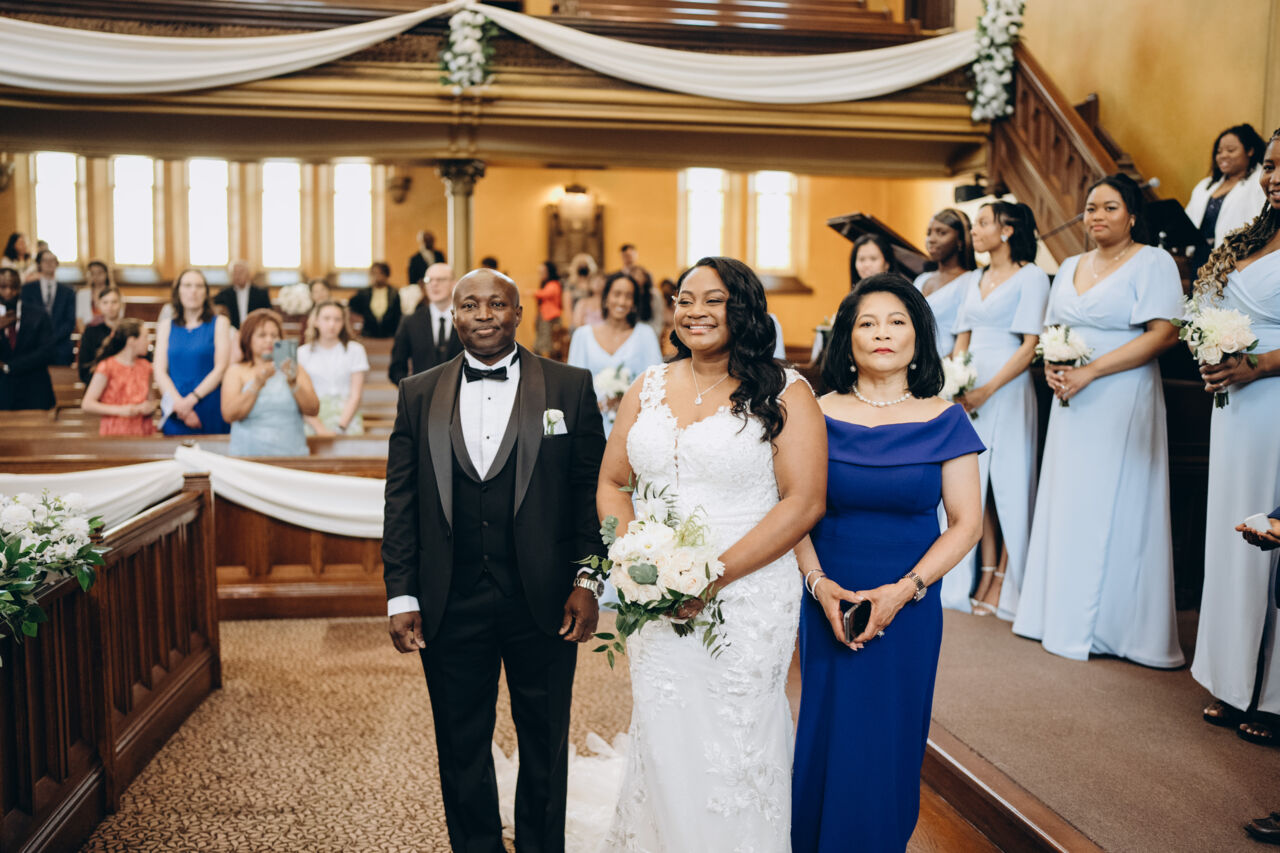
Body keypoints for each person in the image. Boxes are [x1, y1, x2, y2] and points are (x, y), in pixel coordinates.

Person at [598, 257, 827, 852]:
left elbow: (804, 502)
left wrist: (713, 576)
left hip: (748, 591)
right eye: (684, 299)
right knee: (665, 727)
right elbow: (613, 483)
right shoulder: (647, 386)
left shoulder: (786, 391)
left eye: (713, 299)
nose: (695, 311)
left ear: (743, 309)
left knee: (735, 736)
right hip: (654, 591)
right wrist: (635, 559)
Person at [382, 269, 605, 853]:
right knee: (460, 744)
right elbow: (401, 501)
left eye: (497, 304)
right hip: (449, 598)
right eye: (470, 305)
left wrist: (588, 579)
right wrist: (402, 593)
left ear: (518, 313)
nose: (484, 315)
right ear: (453, 315)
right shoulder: (417, 392)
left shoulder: (569, 386)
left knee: (545, 741)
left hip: (546, 598)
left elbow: (590, 492)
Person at [793, 273, 983, 852]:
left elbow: (966, 523)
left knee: (891, 736)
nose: (882, 333)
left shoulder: (946, 419)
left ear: (918, 337)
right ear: (846, 338)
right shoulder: (812, 413)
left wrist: (903, 591)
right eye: (867, 323)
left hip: (911, 604)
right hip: (828, 596)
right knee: (828, 730)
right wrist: (819, 584)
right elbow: (790, 511)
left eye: (897, 322)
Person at [1012, 175, 1185, 667]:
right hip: (1071, 398)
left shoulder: (1153, 261)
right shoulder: (1069, 265)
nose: (1097, 216)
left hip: (1123, 393)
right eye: (1091, 208)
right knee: (1070, 499)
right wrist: (1054, 363)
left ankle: (1114, 629)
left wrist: (1091, 371)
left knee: (1118, 500)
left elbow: (1164, 334)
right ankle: (1058, 618)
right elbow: (1053, 328)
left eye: (1110, 207)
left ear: (1132, 215)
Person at [1191, 127, 1280, 746]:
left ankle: (1271, 692)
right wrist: (1208, 348)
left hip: (1272, 397)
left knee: (1270, 533)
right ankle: (1231, 676)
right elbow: (1206, 307)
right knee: (1231, 534)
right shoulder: (1247, 236)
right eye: (1270, 166)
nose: (1274, 178)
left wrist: (1258, 365)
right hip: (1233, 405)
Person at [951, 201, 1050, 618]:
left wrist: (987, 390)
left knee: (1009, 484)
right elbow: (963, 336)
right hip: (969, 390)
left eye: (982, 223)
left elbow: (1030, 346)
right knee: (976, 484)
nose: (974, 230)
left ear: (1007, 230)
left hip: (1007, 388)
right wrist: (956, 379)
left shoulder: (1032, 277)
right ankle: (985, 570)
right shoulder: (974, 278)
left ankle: (1009, 580)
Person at [566, 271, 662, 436]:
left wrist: (624, 403)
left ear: (634, 303)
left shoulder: (645, 334)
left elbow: (656, 383)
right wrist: (595, 407)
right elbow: (572, 387)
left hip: (634, 424)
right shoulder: (582, 336)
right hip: (590, 423)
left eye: (628, 296)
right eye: (617, 294)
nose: (622, 301)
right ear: (605, 298)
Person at [221, 308, 318, 456]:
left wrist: (293, 383)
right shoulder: (236, 372)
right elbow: (229, 415)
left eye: (274, 335)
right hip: (248, 456)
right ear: (248, 338)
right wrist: (257, 385)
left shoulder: (295, 369)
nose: (269, 340)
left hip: (291, 454)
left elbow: (313, 409)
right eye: (262, 335)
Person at [154, 268, 231, 435]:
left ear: (206, 292)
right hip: (176, 406)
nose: (193, 291)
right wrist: (179, 405)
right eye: (187, 285)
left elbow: (221, 368)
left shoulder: (220, 323)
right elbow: (159, 371)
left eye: (199, 286)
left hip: (208, 401)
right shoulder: (166, 326)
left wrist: (192, 399)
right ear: (178, 291)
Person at [1186, 124, 1269, 273]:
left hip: (1238, 262)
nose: (1223, 155)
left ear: (1250, 151)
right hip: (1201, 259)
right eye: (1219, 151)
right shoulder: (1205, 185)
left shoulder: (1260, 182)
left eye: (1230, 150)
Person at [810, 233, 898, 365]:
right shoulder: (851, 300)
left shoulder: (897, 299)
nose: (866, 265)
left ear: (887, 263)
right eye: (861, 259)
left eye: (873, 259)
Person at [914, 208, 978, 358]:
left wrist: (946, 367)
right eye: (929, 233)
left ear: (960, 240)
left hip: (949, 363)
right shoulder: (921, 280)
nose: (931, 239)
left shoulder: (970, 281)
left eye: (941, 233)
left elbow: (969, 335)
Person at [298, 301, 368, 436]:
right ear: (316, 321)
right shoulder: (302, 353)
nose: (332, 324)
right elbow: (301, 397)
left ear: (343, 323)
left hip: (347, 418)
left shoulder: (355, 350)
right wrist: (319, 428)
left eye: (337, 319)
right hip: (313, 417)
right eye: (326, 319)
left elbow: (356, 395)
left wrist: (341, 427)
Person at [79, 318, 157, 435]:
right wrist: (122, 410)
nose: (149, 342)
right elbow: (87, 404)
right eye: (145, 337)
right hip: (115, 431)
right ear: (132, 341)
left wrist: (149, 407)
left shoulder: (146, 367)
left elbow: (152, 401)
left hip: (142, 430)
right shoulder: (107, 366)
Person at [388, 262, 462, 384]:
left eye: (440, 279)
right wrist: (412, 390)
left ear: (454, 284)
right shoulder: (410, 322)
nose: (434, 284)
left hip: (461, 392)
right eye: (429, 280)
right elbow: (396, 368)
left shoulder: (466, 319)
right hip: (423, 393)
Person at [0, 267, 55, 410]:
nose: (9, 292)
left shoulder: (38, 314)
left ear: (20, 288)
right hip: (3, 390)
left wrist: (10, 367)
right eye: (3, 287)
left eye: (13, 287)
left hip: (34, 389)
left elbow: (47, 352)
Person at [21, 249, 75, 365]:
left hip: (60, 344)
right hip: (33, 343)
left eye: (52, 260)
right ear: (39, 264)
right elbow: (25, 317)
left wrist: (52, 338)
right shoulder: (27, 289)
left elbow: (70, 321)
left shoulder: (68, 291)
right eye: (45, 260)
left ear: (56, 263)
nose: (49, 263)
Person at [77, 285, 124, 384]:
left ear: (121, 304)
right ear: (99, 305)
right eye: (105, 302)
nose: (110, 306)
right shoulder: (90, 332)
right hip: (97, 384)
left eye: (114, 302)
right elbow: (84, 368)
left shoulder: (127, 331)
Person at [212, 259, 271, 329]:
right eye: (235, 273)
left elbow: (268, 314)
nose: (237, 276)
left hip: (255, 330)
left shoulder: (261, 293)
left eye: (241, 272)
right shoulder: (224, 294)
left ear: (248, 274)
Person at [348, 262, 401, 339]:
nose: (376, 277)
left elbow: (398, 315)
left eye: (380, 273)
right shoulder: (364, 293)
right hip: (368, 334)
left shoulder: (394, 293)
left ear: (386, 275)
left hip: (389, 334)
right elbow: (352, 306)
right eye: (373, 273)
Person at [532, 260, 563, 358]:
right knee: (541, 338)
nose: (541, 275)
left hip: (550, 317)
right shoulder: (545, 284)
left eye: (543, 272)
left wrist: (531, 292)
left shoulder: (554, 284)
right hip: (543, 316)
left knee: (547, 341)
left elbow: (546, 293)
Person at [562, 252, 600, 327]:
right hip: (576, 322)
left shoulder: (593, 284)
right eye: (580, 264)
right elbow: (567, 307)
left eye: (585, 264)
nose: (583, 267)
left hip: (593, 321)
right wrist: (573, 323)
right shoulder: (570, 285)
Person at [75, 259, 113, 330]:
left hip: (109, 331)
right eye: (92, 273)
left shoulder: (113, 293)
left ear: (106, 274)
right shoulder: (82, 294)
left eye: (99, 272)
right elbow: (79, 318)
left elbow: (117, 317)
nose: (96, 276)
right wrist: (85, 335)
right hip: (87, 331)